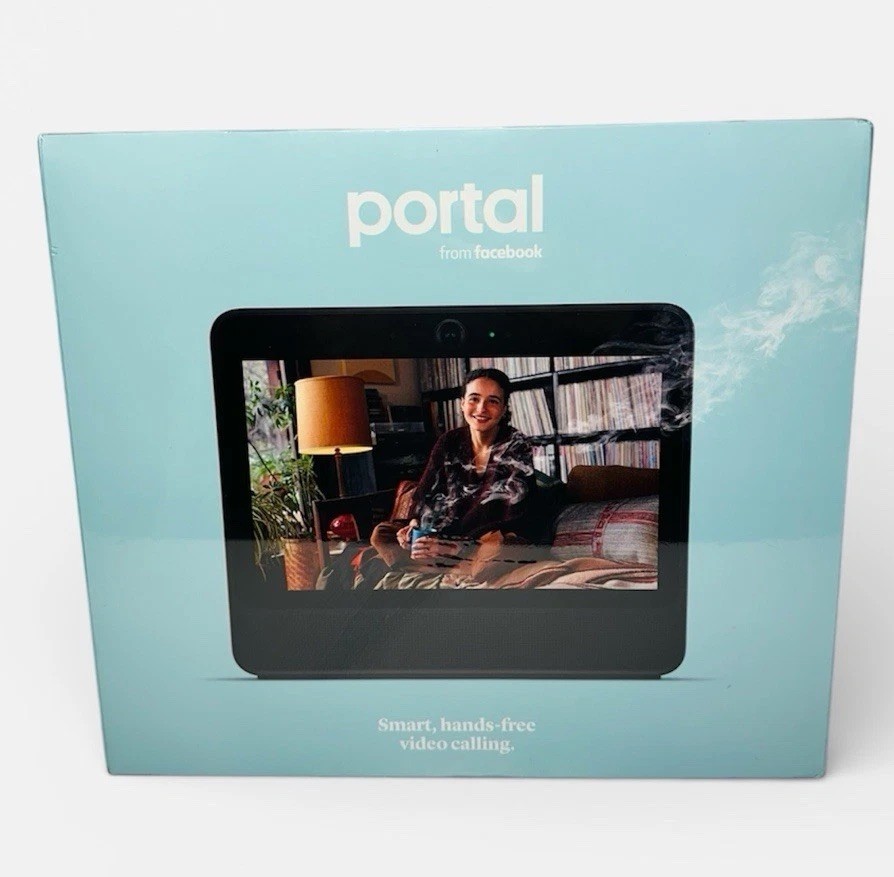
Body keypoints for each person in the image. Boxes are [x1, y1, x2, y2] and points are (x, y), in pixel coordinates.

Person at [370, 368, 535, 572]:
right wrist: (414, 526)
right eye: (474, 399)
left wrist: (452, 545)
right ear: (463, 403)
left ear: (503, 409)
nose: (481, 408)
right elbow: (425, 494)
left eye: (492, 401)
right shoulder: (449, 441)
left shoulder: (516, 445)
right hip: (445, 533)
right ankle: (442, 564)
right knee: (382, 533)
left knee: (501, 549)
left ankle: (434, 565)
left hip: (488, 535)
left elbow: (511, 514)